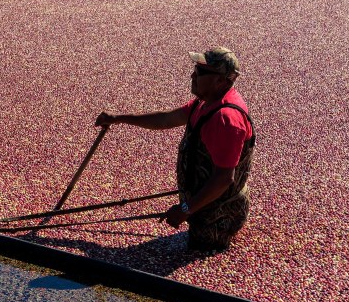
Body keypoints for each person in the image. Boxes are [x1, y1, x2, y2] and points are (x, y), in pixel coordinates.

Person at [95, 47, 255, 251]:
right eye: (196, 69)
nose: (193, 75)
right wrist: (118, 118)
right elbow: (166, 119)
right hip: (203, 205)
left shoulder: (225, 120)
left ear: (222, 80)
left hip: (219, 213)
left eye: (201, 72)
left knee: (199, 250)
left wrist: (186, 209)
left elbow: (223, 179)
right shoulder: (204, 104)